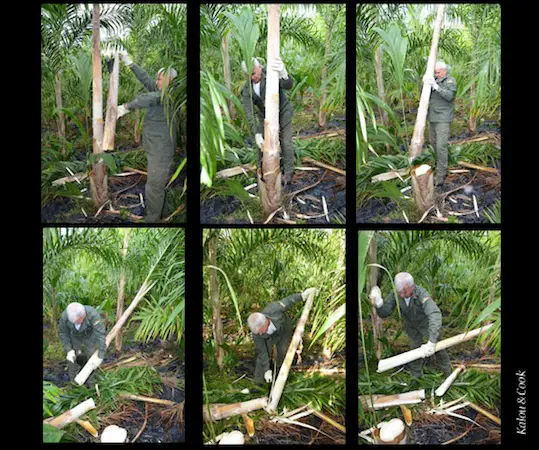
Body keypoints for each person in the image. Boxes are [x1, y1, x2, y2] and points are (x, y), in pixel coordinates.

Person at [117, 52, 178, 222]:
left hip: (161, 151)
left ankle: (153, 219)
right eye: (157, 79)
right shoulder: (160, 88)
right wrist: (130, 63)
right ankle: (159, 211)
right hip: (154, 147)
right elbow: (145, 79)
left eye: (159, 79)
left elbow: (148, 98)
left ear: (169, 81)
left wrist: (126, 107)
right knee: (155, 184)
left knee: (154, 186)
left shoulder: (169, 95)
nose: (156, 82)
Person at [369, 272, 451, 378]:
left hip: (427, 324)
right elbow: (386, 312)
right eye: (400, 292)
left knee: (439, 348)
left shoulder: (421, 294)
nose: (402, 295)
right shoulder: (396, 294)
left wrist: (432, 340)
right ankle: (416, 377)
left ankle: (447, 373)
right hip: (411, 326)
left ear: (412, 286)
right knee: (415, 350)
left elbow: (434, 314)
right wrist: (379, 303)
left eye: (405, 291)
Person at [241, 57, 295, 186]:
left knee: (286, 142)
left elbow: (288, 85)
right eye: (248, 75)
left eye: (254, 73)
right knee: (260, 144)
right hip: (264, 116)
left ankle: (288, 173)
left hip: (283, 111)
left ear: (259, 67)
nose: (252, 77)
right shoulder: (247, 89)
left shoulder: (271, 74)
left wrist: (283, 73)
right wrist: (256, 133)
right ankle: (262, 170)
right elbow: (249, 113)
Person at [247, 287, 317, 384]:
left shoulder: (274, 309)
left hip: (283, 330)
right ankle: (258, 383)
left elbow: (288, 301)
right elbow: (262, 352)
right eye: (257, 332)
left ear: (266, 322)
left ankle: (279, 375)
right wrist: (267, 370)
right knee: (261, 359)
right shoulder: (257, 334)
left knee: (283, 351)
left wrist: (303, 295)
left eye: (261, 331)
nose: (259, 334)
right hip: (268, 338)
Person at [423, 61, 457, 188]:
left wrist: (436, 87)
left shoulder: (450, 81)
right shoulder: (435, 79)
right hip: (432, 117)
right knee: (433, 143)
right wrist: (427, 82)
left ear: (444, 71)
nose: (436, 74)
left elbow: (449, 96)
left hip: (443, 118)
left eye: (438, 72)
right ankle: (439, 164)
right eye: (435, 72)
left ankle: (441, 174)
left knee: (441, 146)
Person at [58, 302, 107, 384]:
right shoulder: (65, 316)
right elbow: (63, 333)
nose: (75, 323)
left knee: (91, 357)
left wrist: (101, 355)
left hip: (89, 336)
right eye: (73, 322)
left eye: (77, 321)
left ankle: (91, 383)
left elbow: (100, 334)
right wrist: (69, 350)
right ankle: (74, 383)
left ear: (83, 315)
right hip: (75, 336)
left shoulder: (92, 314)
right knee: (73, 360)